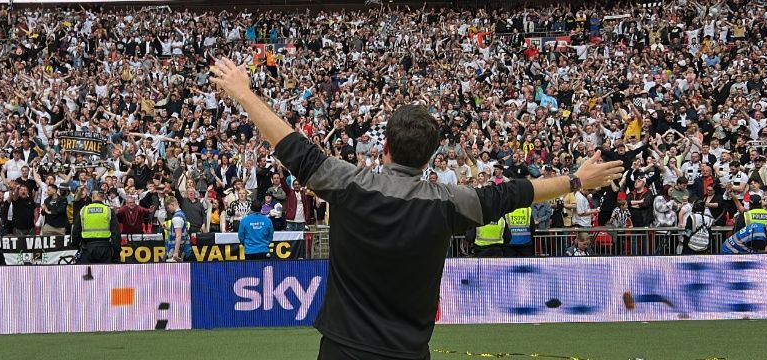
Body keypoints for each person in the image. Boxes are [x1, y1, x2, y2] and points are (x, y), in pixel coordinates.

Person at [210, 57, 624, 360]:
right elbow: (515, 192)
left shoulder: (351, 185)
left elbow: (293, 148)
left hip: (343, 349)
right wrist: (576, 181)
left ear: (384, 147)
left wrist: (242, 91)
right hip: (408, 351)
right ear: (429, 159)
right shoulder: (449, 203)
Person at [71, 191, 120, 264]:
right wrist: (116, 250)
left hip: (87, 248)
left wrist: (76, 245)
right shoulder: (108, 210)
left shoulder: (84, 210)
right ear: (103, 198)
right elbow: (116, 232)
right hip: (105, 247)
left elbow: (76, 230)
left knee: (87, 273)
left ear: (92, 197)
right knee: (106, 273)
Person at [164, 197, 191, 262]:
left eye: (168, 207)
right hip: (182, 249)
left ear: (172, 204)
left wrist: (175, 253)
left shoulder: (177, 218)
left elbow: (178, 236)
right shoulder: (181, 214)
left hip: (177, 250)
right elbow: (180, 231)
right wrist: (168, 229)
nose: (168, 210)